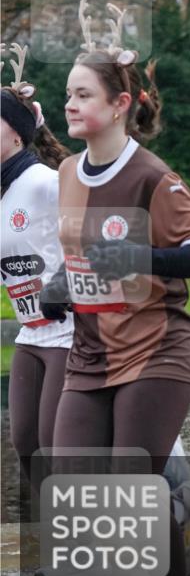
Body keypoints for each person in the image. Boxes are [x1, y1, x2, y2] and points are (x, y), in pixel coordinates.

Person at [39, 0, 190, 576]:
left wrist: (137, 259)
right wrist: (61, 284)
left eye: (83, 94)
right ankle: (167, 461)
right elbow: (80, 252)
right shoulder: (67, 172)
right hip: (90, 353)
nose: (70, 104)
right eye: (67, 93)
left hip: (155, 348)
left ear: (120, 105)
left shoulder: (151, 177)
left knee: (130, 486)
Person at [1, 44, 74, 487]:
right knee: (25, 442)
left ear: (16, 134)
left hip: (71, 333)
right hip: (30, 331)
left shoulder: (47, 182)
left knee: (55, 444)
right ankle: (48, 539)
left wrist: (63, 284)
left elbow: (100, 235)